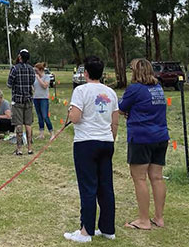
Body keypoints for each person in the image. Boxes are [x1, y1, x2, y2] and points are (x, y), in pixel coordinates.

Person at [64, 55, 119, 243]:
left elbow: (76, 117)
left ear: (85, 73)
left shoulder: (81, 91)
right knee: (105, 186)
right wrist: (111, 139)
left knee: (88, 187)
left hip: (86, 142)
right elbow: (115, 121)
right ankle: (107, 229)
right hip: (106, 141)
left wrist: (70, 112)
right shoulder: (111, 93)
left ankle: (86, 231)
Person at [118, 58, 169, 230]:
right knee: (157, 177)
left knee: (139, 178)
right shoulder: (158, 88)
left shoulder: (134, 89)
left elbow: (121, 108)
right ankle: (159, 218)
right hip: (161, 136)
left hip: (141, 137)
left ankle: (144, 220)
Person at [7, 49, 36, 155]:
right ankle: (30, 148)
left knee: (19, 124)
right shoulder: (31, 69)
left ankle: (19, 149)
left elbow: (9, 84)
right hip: (28, 99)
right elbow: (33, 82)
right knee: (28, 124)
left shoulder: (15, 69)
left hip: (17, 100)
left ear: (20, 57)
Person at [32, 62, 55, 141]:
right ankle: (41, 133)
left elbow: (45, 86)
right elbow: (33, 86)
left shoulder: (46, 77)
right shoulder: (34, 77)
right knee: (39, 116)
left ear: (41, 70)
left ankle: (52, 133)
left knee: (45, 116)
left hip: (44, 98)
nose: (36, 72)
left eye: (37, 70)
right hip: (36, 98)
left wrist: (38, 78)